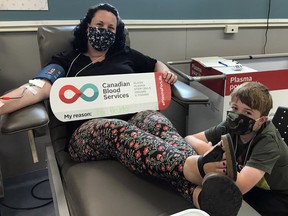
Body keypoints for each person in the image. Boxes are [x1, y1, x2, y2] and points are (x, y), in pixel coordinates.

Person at [0, 3, 243, 216]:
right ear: (87, 27)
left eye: (110, 28)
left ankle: (200, 195)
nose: (104, 31)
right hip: (87, 133)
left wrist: (163, 73)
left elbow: (155, 63)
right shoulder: (68, 59)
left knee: (155, 120)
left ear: (116, 34)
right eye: (99, 24)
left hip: (134, 119)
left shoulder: (124, 55)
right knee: (118, 128)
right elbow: (37, 87)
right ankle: (196, 166)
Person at [185, 81, 288, 216]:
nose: (238, 115)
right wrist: (209, 151)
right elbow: (190, 138)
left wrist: (215, 159)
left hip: (275, 195)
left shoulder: (268, 142)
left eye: (247, 112)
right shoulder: (230, 124)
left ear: (262, 120)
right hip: (248, 181)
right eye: (234, 108)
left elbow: (240, 187)